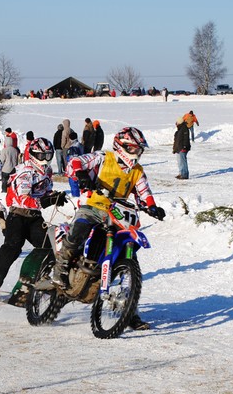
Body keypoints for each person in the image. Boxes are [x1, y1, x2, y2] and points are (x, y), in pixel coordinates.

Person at [55, 127, 163, 330]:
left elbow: (144, 192)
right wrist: (81, 175)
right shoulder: (104, 157)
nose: (137, 153)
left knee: (128, 261)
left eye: (139, 150)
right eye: (134, 148)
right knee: (78, 233)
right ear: (122, 146)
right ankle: (60, 269)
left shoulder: (137, 171)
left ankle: (130, 312)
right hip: (93, 207)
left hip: (119, 215)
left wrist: (153, 207)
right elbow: (75, 162)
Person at [0, 138, 65, 297]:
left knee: (48, 247)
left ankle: (36, 280)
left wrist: (55, 197)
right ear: (34, 155)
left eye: (49, 155)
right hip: (18, 215)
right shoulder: (24, 171)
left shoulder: (46, 172)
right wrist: (46, 201)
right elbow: (23, 199)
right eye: (42, 155)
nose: (46, 159)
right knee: (12, 247)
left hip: (34, 217)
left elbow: (44, 193)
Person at [1, 127, 20, 192]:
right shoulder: (16, 150)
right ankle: (11, 191)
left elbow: (2, 160)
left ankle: (4, 191)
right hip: (13, 169)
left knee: (4, 181)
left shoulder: (4, 150)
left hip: (5, 169)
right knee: (12, 181)